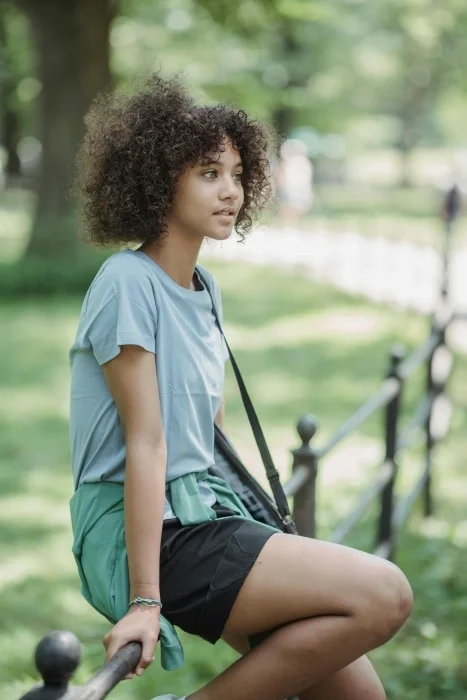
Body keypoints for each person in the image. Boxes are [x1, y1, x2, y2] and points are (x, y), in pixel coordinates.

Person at [68, 74, 413, 700]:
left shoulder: (203, 289)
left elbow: (211, 432)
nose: (231, 190)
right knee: (385, 593)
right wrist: (146, 599)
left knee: (359, 696)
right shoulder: (125, 283)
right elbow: (146, 443)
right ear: (155, 179)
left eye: (235, 172)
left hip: (204, 513)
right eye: (208, 173)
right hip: (144, 529)